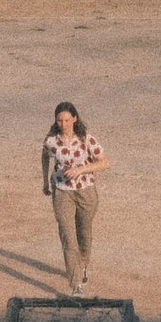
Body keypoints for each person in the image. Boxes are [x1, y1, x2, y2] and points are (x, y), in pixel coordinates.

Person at [41, 101, 109, 294]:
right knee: (68, 237)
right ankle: (75, 284)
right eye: (60, 120)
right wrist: (45, 181)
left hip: (86, 192)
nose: (63, 124)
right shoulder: (51, 141)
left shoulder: (86, 139)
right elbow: (45, 156)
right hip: (62, 191)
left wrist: (81, 169)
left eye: (67, 120)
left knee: (84, 234)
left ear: (75, 119)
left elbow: (104, 162)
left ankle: (83, 263)